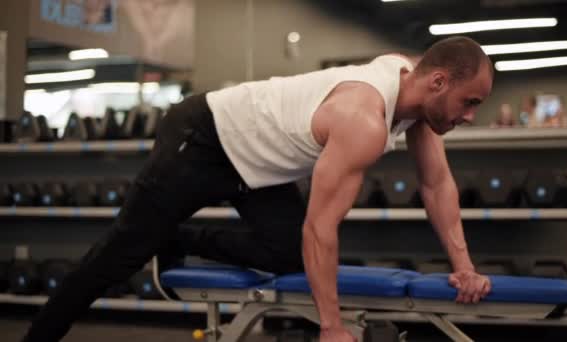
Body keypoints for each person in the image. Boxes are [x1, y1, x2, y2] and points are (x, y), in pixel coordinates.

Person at [23, 36, 493, 342]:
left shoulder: (414, 93)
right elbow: (321, 227)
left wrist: (465, 269)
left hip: (261, 166)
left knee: (286, 253)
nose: (470, 115)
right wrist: (331, 327)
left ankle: (176, 237)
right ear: (437, 81)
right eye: (468, 102)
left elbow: (437, 184)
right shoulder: (363, 119)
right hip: (205, 136)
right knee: (116, 258)